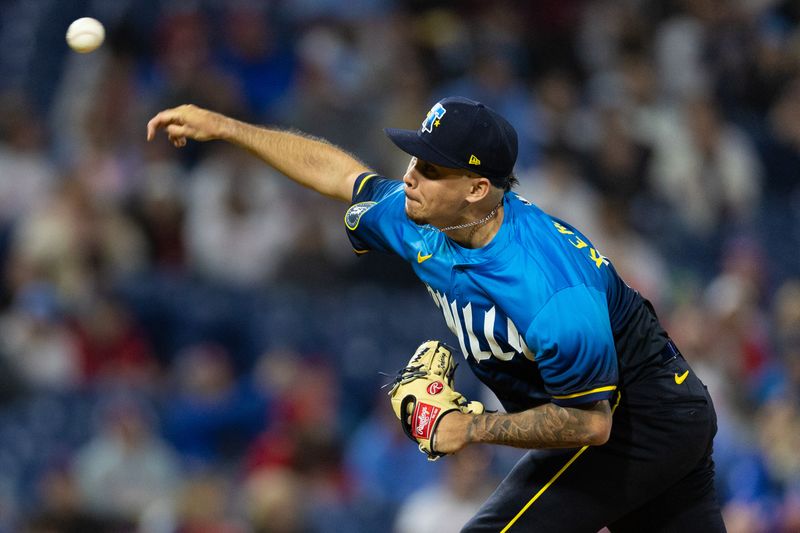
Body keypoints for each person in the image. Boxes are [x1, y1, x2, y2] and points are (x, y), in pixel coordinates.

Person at [147, 97, 726, 531]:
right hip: (641, 420)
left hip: (640, 422)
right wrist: (225, 127)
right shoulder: (423, 218)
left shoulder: (548, 286)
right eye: (415, 158)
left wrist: (468, 427)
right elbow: (339, 175)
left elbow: (590, 424)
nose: (409, 177)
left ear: (478, 189)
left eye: (430, 168)